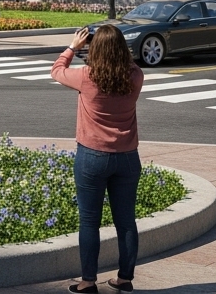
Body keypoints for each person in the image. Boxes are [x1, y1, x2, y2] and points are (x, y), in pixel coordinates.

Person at [51, 25, 144, 293]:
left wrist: (73, 46)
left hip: (92, 156)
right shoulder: (135, 76)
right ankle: (125, 279)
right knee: (126, 221)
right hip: (127, 157)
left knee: (90, 220)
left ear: (96, 50)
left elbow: (56, 70)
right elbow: (127, 63)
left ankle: (88, 281)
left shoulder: (87, 76)